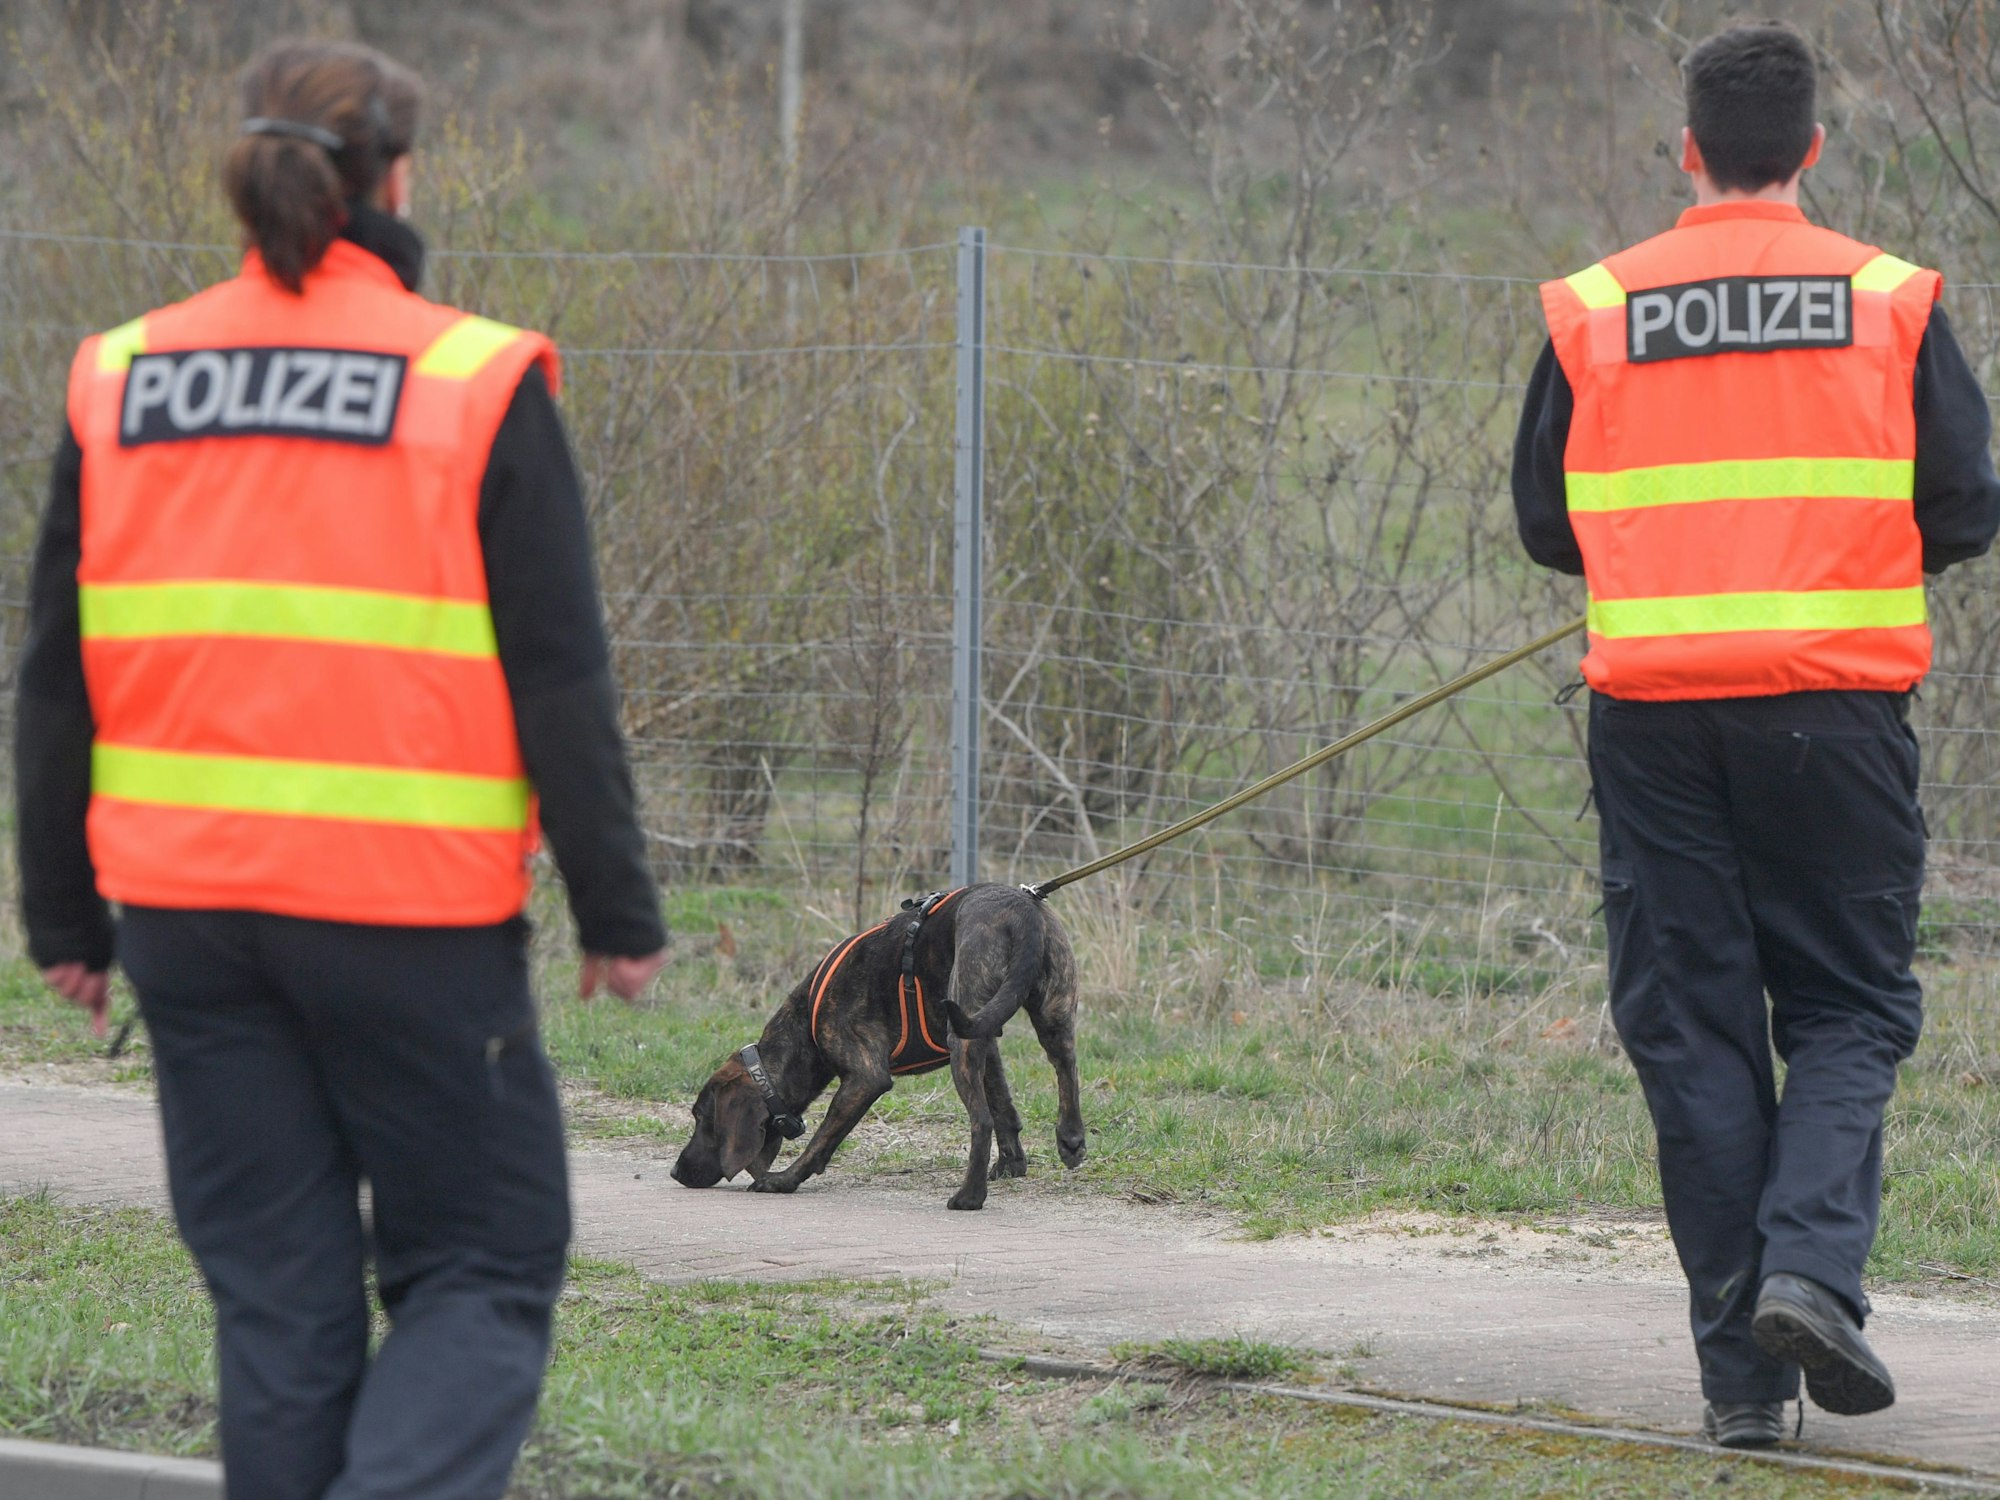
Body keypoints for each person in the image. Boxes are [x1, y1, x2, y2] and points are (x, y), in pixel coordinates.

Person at [15, 39, 669, 1499]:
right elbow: (558, 672)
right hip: (410, 927)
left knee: (280, 1304)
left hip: (189, 925)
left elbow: (59, 671)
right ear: (398, 178)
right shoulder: (470, 379)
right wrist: (618, 915)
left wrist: (63, 919)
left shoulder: (122, 377)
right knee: (483, 1267)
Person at [1513, 22, 1999, 1451]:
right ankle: (1810, 1271)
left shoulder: (1598, 304)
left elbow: (1549, 526)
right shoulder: (1892, 297)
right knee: (1850, 1009)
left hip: (1653, 724)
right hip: (1836, 715)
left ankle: (1741, 1385)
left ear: (1688, 154)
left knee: (1692, 1029)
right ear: (1812, 152)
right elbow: (1967, 507)